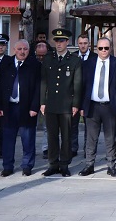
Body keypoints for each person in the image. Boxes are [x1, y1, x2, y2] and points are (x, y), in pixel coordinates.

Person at [79, 37, 116, 177]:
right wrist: (81, 105)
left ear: (110, 48)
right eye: (101, 48)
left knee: (110, 138)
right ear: (96, 49)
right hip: (92, 106)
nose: (104, 51)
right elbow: (82, 86)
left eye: (106, 48)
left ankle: (111, 166)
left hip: (110, 106)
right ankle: (89, 165)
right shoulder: (88, 64)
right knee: (91, 138)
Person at [40, 28, 83, 177]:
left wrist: (76, 104)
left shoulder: (74, 60)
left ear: (67, 42)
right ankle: (53, 164)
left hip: (66, 105)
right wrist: (42, 102)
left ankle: (64, 164)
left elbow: (77, 84)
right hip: (51, 104)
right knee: (51, 136)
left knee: (66, 136)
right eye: (57, 41)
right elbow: (43, 83)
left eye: (62, 41)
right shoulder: (48, 59)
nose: (59, 44)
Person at [0, 39, 40, 177]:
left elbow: (39, 89)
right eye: (19, 49)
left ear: (29, 50)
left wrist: (34, 107)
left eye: (25, 49)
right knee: (8, 139)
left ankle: (27, 165)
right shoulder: (6, 64)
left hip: (27, 108)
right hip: (9, 107)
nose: (22, 52)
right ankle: (7, 166)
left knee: (28, 139)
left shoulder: (35, 65)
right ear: (14, 50)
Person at [71, 34, 97, 158]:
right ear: (77, 43)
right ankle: (73, 148)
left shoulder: (95, 57)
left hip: (89, 95)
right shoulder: (72, 56)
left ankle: (88, 149)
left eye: (85, 43)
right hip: (74, 95)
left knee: (90, 125)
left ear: (89, 44)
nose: (83, 45)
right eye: (80, 43)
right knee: (73, 124)